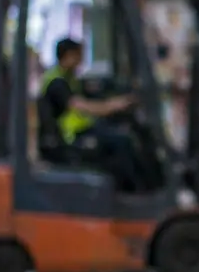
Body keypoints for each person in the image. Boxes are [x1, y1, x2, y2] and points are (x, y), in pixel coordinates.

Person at [39, 38, 140, 190]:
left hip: (78, 132)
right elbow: (82, 106)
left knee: (119, 134)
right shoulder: (57, 82)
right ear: (69, 55)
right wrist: (112, 106)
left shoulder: (68, 77)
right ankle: (133, 191)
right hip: (69, 138)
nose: (81, 60)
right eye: (78, 55)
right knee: (122, 142)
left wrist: (116, 98)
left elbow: (90, 93)